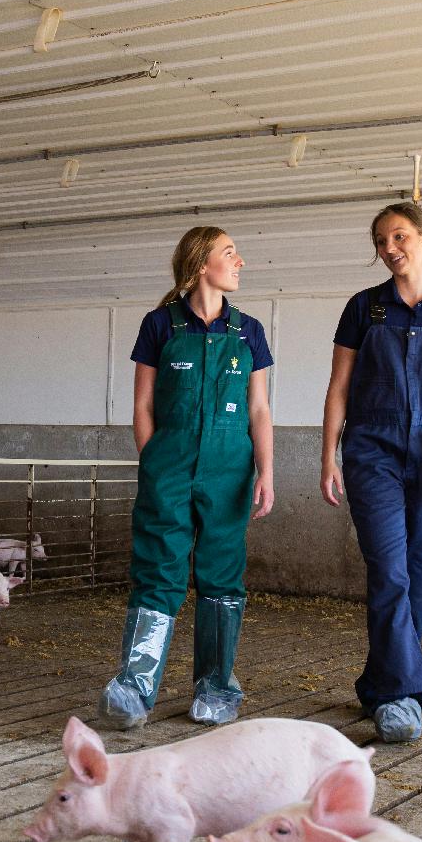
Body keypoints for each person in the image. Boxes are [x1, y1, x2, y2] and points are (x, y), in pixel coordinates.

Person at [320, 201, 422, 743]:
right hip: (373, 451)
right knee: (389, 570)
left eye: (398, 237)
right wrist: (328, 457)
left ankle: (378, 681)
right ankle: (402, 698)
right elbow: (339, 389)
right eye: (380, 242)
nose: (389, 249)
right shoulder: (363, 309)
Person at [98, 226, 275, 729]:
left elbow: (259, 409)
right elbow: (142, 404)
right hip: (169, 467)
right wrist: (152, 459)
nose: (240, 262)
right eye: (229, 253)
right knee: (159, 568)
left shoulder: (249, 332)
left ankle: (216, 687)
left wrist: (267, 472)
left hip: (229, 470)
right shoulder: (160, 325)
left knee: (221, 575)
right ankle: (134, 687)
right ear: (202, 264)